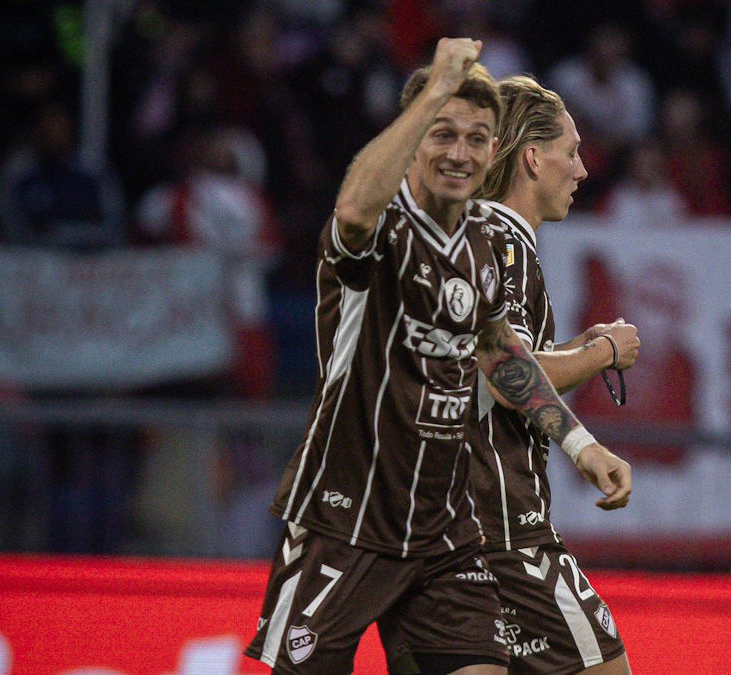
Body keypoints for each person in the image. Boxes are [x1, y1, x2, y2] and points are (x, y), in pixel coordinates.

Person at [244, 39, 632, 674]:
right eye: (442, 134)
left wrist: (582, 447)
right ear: (414, 138)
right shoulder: (381, 229)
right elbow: (353, 209)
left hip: (444, 528)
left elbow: (505, 358)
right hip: (349, 515)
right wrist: (432, 93)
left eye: (478, 139)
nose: (461, 152)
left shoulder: (480, 247)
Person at [469, 75, 640, 674]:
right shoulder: (503, 241)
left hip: (446, 532)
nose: (583, 170)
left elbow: (492, 362)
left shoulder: (469, 239)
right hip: (505, 528)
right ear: (533, 158)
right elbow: (502, 374)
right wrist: (603, 355)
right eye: (572, 152)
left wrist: (570, 348)